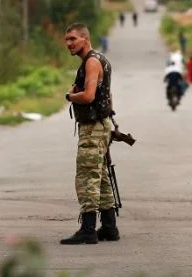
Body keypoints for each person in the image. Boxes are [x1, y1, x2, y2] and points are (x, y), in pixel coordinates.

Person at [62, 23, 119, 245]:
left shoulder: (92, 62)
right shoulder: (98, 59)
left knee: (87, 176)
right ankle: (109, 227)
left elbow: (88, 96)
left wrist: (70, 96)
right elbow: (109, 94)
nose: (69, 44)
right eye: (67, 40)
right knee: (102, 176)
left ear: (85, 39)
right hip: (100, 125)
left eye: (73, 39)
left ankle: (88, 230)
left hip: (93, 127)